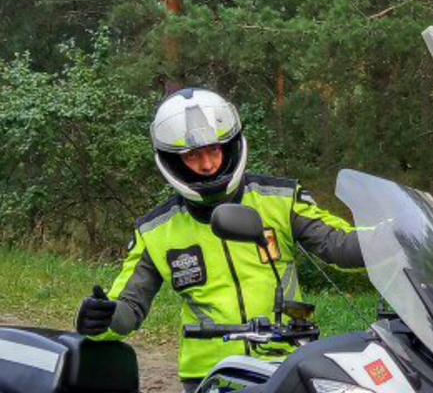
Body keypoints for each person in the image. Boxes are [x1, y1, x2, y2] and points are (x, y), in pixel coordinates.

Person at [76, 88, 364, 391]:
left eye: (214, 150)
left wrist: (390, 235)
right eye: (192, 155)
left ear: (230, 146)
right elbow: (128, 305)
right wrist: (101, 319)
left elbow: (337, 243)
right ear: (173, 161)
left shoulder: (279, 199)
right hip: (211, 375)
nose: (207, 164)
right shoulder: (156, 230)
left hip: (286, 361)